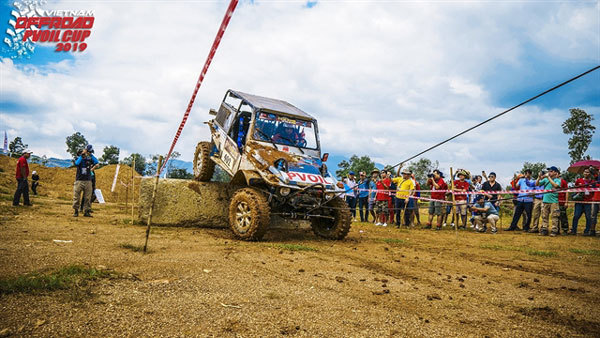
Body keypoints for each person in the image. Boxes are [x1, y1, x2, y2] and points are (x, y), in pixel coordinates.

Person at [73, 147, 99, 217]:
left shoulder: (89, 159)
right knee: (76, 197)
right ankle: (76, 211)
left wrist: (90, 154)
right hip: (79, 180)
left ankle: (87, 211)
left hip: (88, 180)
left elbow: (96, 162)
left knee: (87, 197)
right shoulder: (79, 159)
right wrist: (82, 155)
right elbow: (77, 163)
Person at [536, 166, 561, 236]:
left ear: (555, 172)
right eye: (549, 171)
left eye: (551, 171)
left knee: (554, 216)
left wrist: (548, 177)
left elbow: (556, 185)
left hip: (554, 201)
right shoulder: (546, 180)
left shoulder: (557, 180)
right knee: (544, 216)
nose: (549, 172)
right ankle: (544, 229)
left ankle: (554, 230)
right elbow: (537, 184)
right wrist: (539, 177)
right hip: (545, 200)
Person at [570, 168, 593, 235]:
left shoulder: (592, 182)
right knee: (576, 216)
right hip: (579, 201)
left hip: (588, 202)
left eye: (588, 172)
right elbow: (574, 189)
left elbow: (594, 191)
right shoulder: (579, 180)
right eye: (585, 172)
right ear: (583, 173)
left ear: (590, 174)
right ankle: (574, 230)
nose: (586, 173)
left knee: (588, 217)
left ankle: (587, 231)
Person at [80, 144, 99, 212]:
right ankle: (82, 208)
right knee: (86, 192)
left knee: (92, 193)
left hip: (92, 176)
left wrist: (92, 169)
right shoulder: (83, 157)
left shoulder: (91, 157)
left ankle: (88, 207)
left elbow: (97, 163)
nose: (89, 153)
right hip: (86, 176)